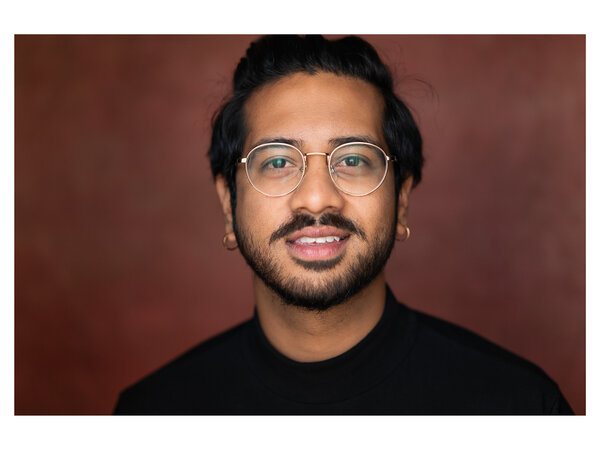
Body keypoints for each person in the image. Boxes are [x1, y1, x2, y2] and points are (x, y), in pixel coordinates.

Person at [114, 35, 573, 414]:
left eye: (353, 159)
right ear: (228, 204)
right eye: (277, 162)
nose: (317, 197)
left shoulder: (520, 408)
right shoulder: (153, 415)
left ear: (402, 200)